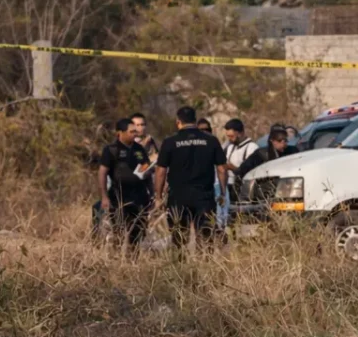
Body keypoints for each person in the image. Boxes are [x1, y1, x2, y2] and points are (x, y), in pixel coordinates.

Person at [155, 106, 227, 249]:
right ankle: (205, 267)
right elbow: (221, 169)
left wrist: (158, 196)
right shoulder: (211, 140)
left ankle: (180, 267)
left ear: (178, 122)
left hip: (178, 196)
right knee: (206, 238)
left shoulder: (170, 142)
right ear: (195, 120)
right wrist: (223, 193)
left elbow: (160, 171)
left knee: (179, 239)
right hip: (204, 196)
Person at [98, 119, 153, 248]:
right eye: (131, 131)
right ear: (120, 133)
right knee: (120, 232)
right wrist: (104, 197)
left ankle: (134, 261)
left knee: (138, 233)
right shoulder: (111, 150)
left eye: (136, 131)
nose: (135, 134)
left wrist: (151, 193)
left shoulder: (139, 149)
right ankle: (120, 260)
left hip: (139, 198)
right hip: (119, 198)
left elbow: (147, 170)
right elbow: (102, 173)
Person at [222, 119, 259, 203]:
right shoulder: (230, 147)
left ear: (240, 133)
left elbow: (250, 171)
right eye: (228, 136)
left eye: (231, 136)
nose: (229, 139)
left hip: (243, 188)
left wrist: (231, 167)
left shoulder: (252, 147)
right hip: (229, 185)